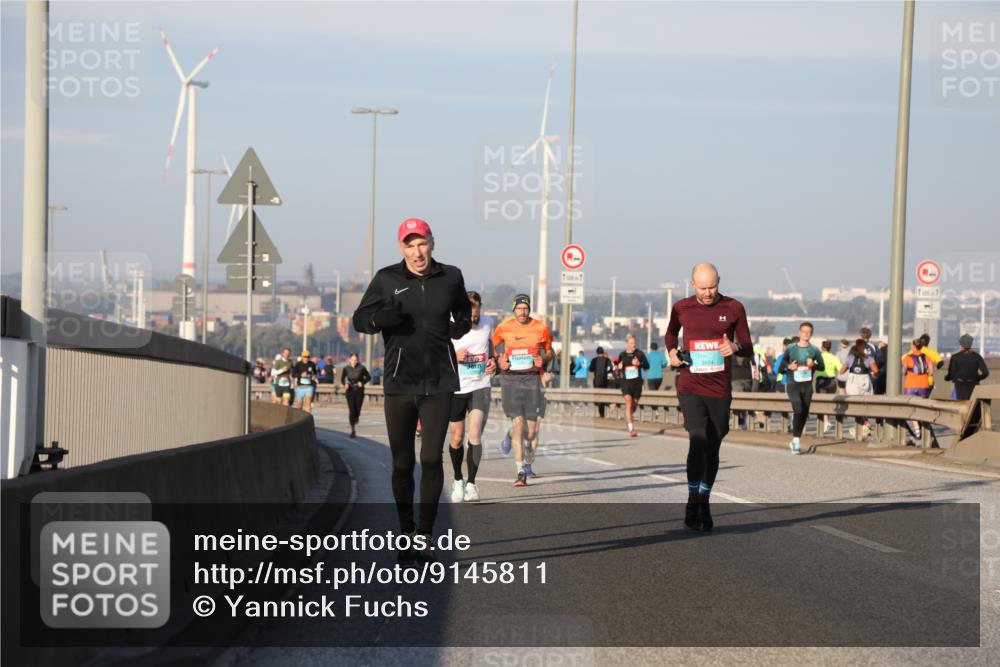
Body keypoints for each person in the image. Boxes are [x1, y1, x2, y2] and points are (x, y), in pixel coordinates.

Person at [352, 217, 471, 563]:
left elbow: (462, 307)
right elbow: (359, 319)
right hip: (400, 383)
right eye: (409, 245)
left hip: (439, 381)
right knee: (403, 464)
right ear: (401, 248)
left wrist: (461, 324)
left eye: (422, 244)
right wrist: (377, 321)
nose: (417, 252)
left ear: (432, 242)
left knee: (431, 458)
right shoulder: (387, 279)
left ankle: (425, 534)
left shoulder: (451, 276)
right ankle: (405, 530)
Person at [665, 262, 752, 532]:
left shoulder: (734, 308)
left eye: (712, 286)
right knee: (698, 437)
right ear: (693, 285)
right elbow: (670, 334)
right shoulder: (682, 307)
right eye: (702, 288)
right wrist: (671, 351)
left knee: (713, 445)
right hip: (690, 385)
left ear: (719, 282)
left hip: (720, 389)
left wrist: (735, 346)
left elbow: (748, 346)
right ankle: (693, 500)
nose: (708, 293)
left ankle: (704, 499)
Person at [492, 293, 554, 487]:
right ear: (514, 309)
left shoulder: (541, 328)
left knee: (532, 431)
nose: (523, 311)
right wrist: (498, 360)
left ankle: (509, 436)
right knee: (519, 424)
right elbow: (490, 346)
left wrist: (543, 360)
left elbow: (550, 351)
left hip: (532, 380)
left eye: (526, 308)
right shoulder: (504, 327)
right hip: (510, 380)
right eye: (519, 308)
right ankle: (520, 472)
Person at [448, 291, 496, 503]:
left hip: (480, 386)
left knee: (474, 435)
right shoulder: (450, 324)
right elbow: (436, 350)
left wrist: (493, 360)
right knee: (457, 438)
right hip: (456, 388)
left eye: (476, 311)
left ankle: (472, 484)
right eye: (470, 311)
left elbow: (490, 346)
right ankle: (458, 479)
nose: (474, 315)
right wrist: (453, 355)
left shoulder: (488, 323)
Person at [777, 322, 825, 454]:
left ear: (812, 334)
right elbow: (781, 368)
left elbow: (822, 367)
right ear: (799, 333)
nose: (806, 334)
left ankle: (795, 439)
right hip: (793, 384)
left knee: (804, 412)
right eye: (804, 332)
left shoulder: (814, 350)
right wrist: (789, 367)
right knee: (798, 409)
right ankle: (796, 441)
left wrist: (813, 365)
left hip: (807, 386)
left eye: (809, 332)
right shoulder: (791, 348)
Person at [843, 338, 879, 438]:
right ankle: (865, 424)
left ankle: (862, 426)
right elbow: (876, 370)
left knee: (855, 405)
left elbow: (842, 370)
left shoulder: (850, 358)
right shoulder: (868, 358)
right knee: (865, 404)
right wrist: (873, 374)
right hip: (865, 381)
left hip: (853, 382)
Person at [901, 338, 934, 446]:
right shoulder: (927, 357)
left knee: (912, 407)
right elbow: (931, 371)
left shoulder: (907, 358)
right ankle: (924, 429)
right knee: (922, 407)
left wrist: (905, 371)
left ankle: (916, 428)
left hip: (911, 384)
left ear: (913, 346)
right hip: (924, 384)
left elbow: (904, 371)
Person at [616, 334, 649, 438]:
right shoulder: (622, 355)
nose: (634, 345)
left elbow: (647, 366)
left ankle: (628, 418)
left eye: (634, 343)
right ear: (627, 344)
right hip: (625, 383)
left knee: (633, 406)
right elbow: (618, 368)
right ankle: (631, 428)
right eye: (631, 343)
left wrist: (639, 364)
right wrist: (619, 367)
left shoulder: (640, 354)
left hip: (637, 384)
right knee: (628, 402)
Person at [946, 334, 989, 401]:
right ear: (971, 344)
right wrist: (977, 378)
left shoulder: (955, 357)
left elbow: (951, 374)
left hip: (959, 386)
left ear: (961, 344)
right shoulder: (977, 357)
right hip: (974, 385)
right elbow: (986, 373)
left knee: (958, 405)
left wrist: (947, 378)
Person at [341, 353, 371, 438]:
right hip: (350, 390)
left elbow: (369, 377)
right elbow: (342, 379)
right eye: (352, 360)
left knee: (357, 409)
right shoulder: (346, 368)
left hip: (359, 390)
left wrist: (362, 382)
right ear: (349, 360)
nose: (354, 362)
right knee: (352, 409)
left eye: (355, 360)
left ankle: (357, 416)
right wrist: (345, 384)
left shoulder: (362, 368)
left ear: (357, 360)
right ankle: (352, 429)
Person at [816, 340, 841, 433]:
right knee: (829, 401)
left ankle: (826, 422)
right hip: (832, 381)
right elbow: (840, 369)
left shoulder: (819, 357)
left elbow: (813, 366)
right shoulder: (834, 357)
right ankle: (826, 422)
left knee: (822, 402)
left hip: (821, 380)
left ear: (822, 347)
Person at [589, 346, 613, 417]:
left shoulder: (594, 360)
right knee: (604, 395)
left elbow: (591, 369)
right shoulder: (607, 360)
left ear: (597, 352)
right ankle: (603, 412)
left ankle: (600, 411)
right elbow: (610, 369)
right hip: (605, 381)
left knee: (597, 395)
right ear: (603, 352)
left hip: (596, 381)